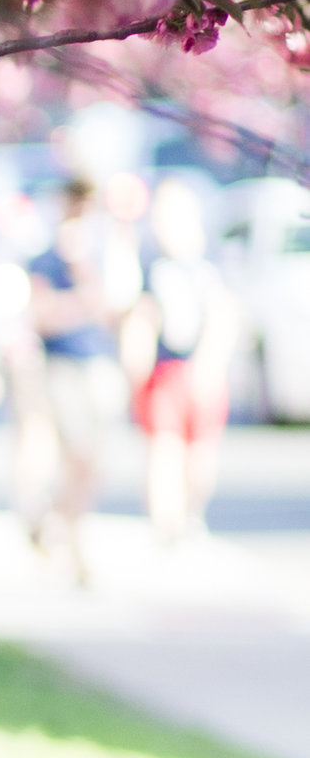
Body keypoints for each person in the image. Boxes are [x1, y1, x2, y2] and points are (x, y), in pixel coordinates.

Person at [21, 174, 126, 578]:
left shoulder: (102, 256)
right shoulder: (45, 258)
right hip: (62, 366)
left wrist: (85, 280)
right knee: (78, 453)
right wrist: (80, 301)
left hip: (99, 364)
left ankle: (55, 522)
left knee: (94, 462)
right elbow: (43, 315)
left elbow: (115, 309)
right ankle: (73, 544)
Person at [129, 179, 235, 544]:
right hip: (164, 371)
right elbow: (140, 319)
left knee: (199, 457)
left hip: (201, 372)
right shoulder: (149, 264)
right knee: (163, 449)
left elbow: (223, 316)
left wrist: (210, 366)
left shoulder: (211, 263)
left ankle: (191, 514)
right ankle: (165, 524)